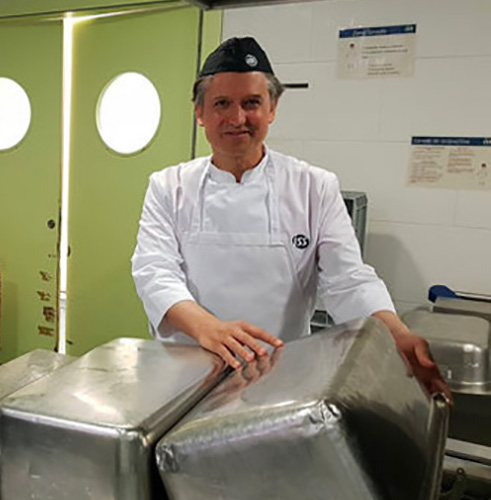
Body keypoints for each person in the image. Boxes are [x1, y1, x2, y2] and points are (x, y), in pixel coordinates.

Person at [131, 37, 449, 398]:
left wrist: (395, 332)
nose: (237, 118)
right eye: (222, 104)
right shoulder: (168, 186)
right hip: (185, 373)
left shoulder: (314, 186)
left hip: (277, 377)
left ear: (272, 109)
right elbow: (154, 273)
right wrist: (209, 328)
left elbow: (349, 278)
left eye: (251, 103)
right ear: (200, 113)